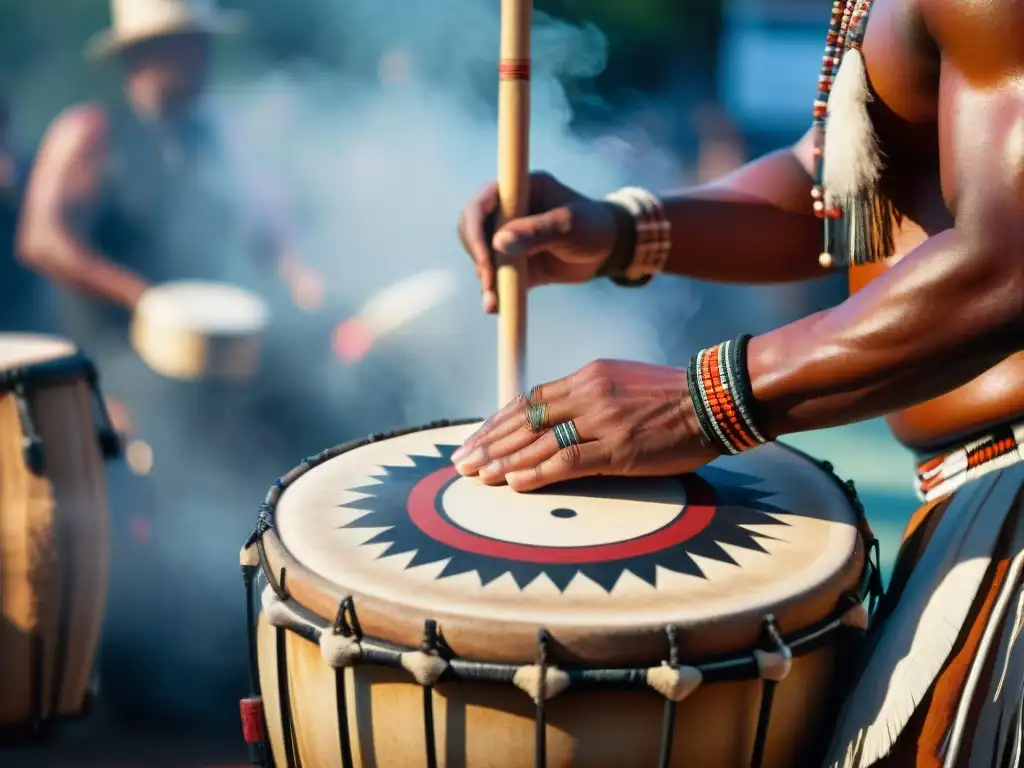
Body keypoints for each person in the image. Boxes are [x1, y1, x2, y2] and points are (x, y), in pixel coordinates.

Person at [454, 0, 1024, 764]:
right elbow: (841, 190)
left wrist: (703, 402)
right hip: (976, 505)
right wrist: (622, 228)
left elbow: (1010, 259)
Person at [17, 0, 320, 733]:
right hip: (114, 367)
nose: (199, 60)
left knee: (267, 465)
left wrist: (306, 284)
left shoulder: (220, 136)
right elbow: (42, 237)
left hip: (210, 376)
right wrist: (147, 298)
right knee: (149, 499)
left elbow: (270, 225)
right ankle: (136, 678)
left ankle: (224, 657)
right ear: (139, 59)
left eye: (198, 45)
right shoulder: (88, 132)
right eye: (182, 46)